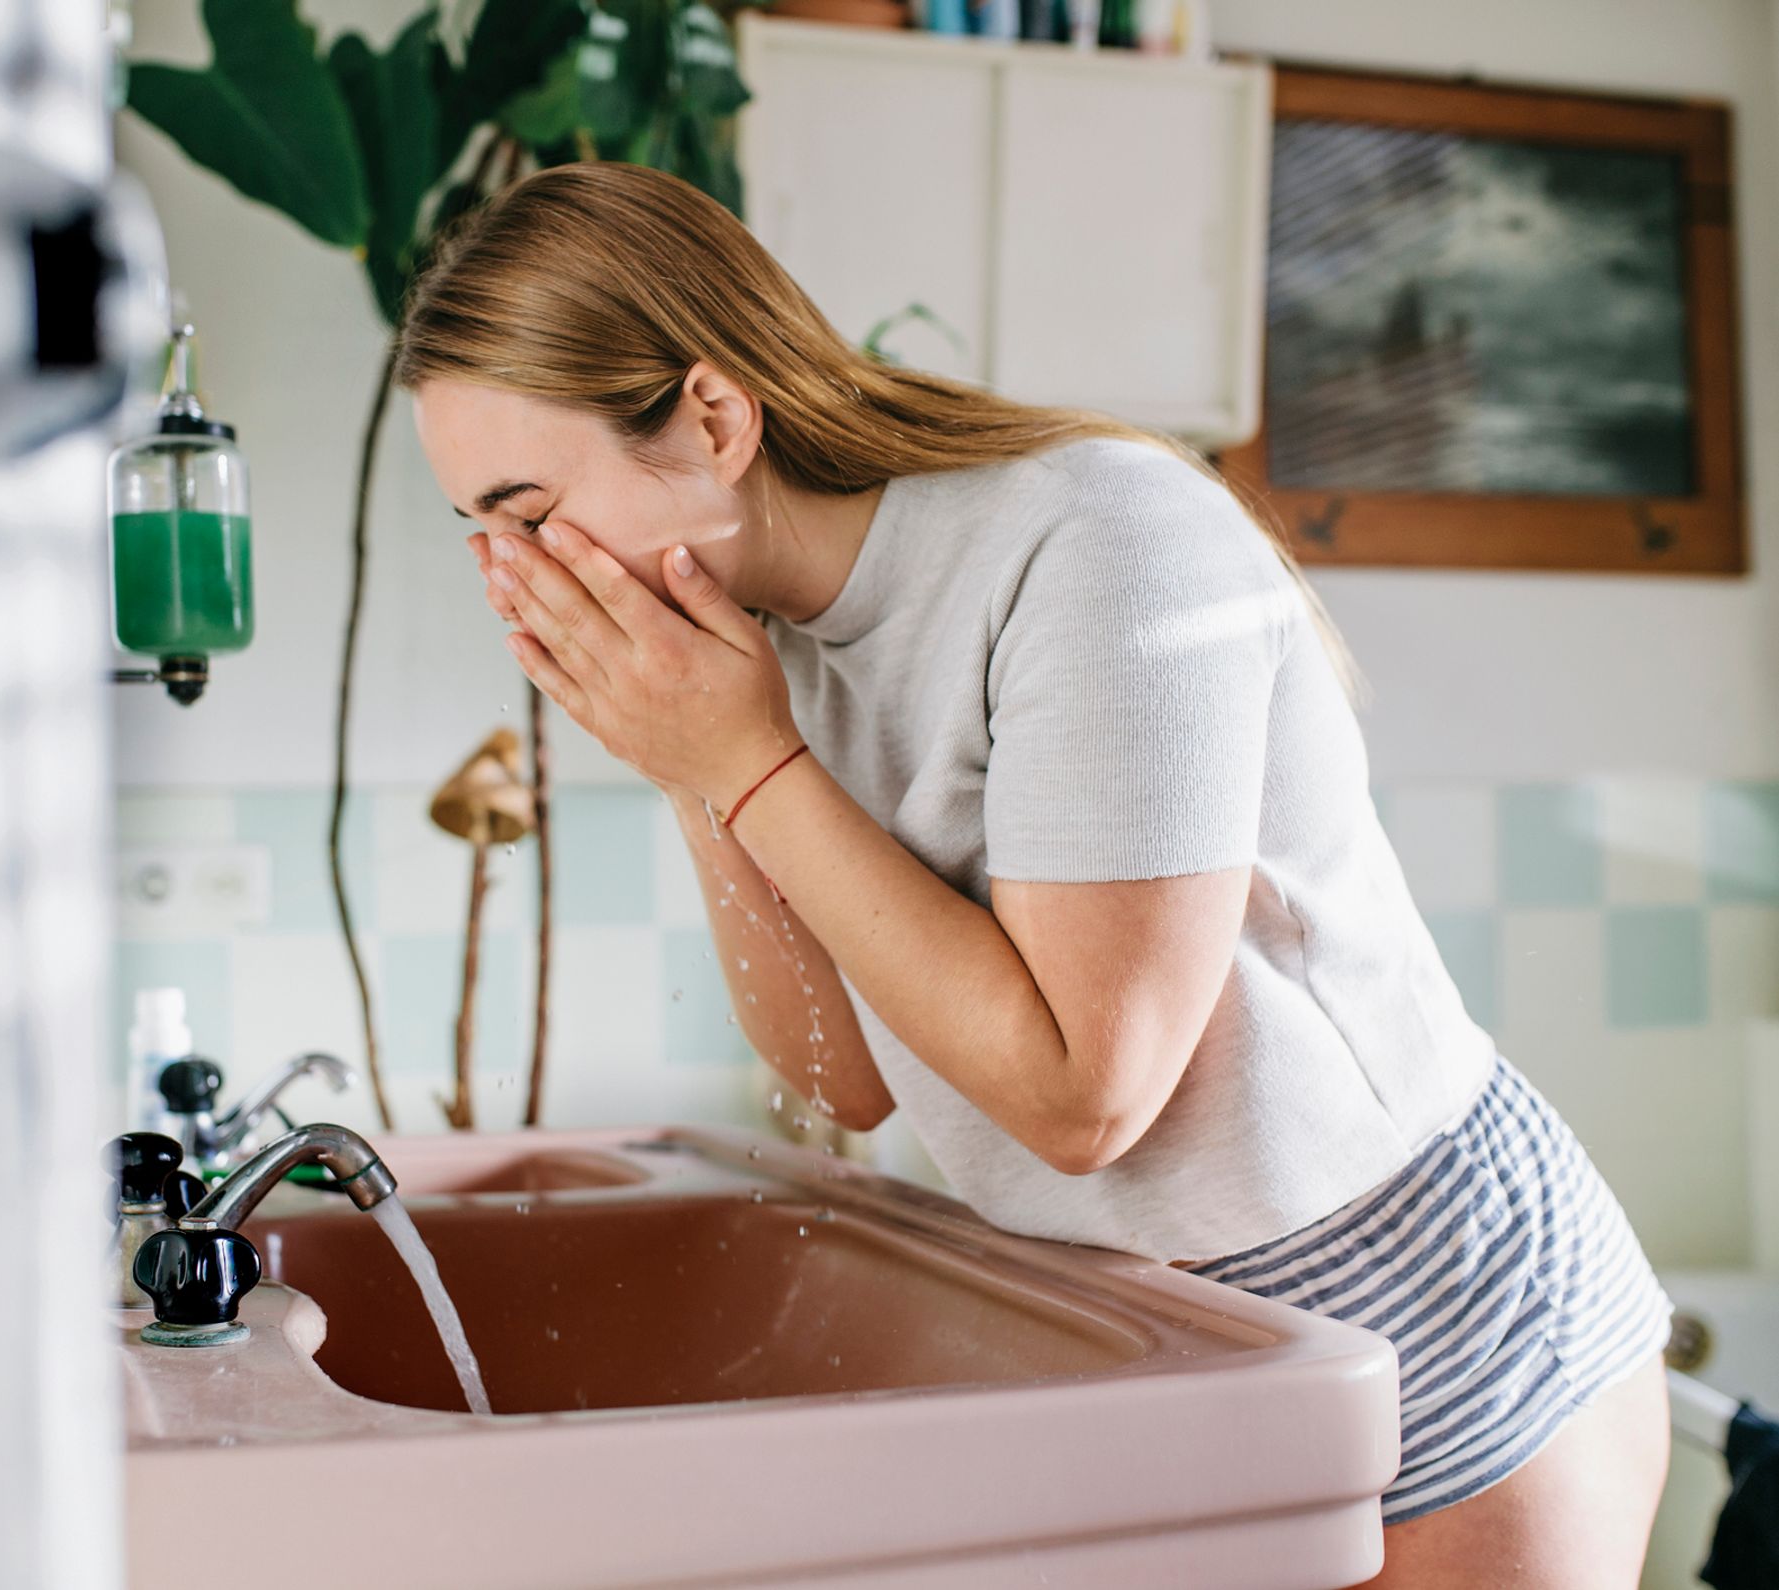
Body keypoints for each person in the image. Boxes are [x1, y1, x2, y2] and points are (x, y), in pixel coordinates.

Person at [392, 160, 1672, 1588]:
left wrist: (746, 761)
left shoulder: (1096, 540)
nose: (511, 573)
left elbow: (1086, 1094)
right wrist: (705, 763)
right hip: (1173, 1348)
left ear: (709, 418)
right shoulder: (761, 649)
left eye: (527, 508)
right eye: (481, 531)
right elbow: (845, 1079)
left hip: (1430, 1316)